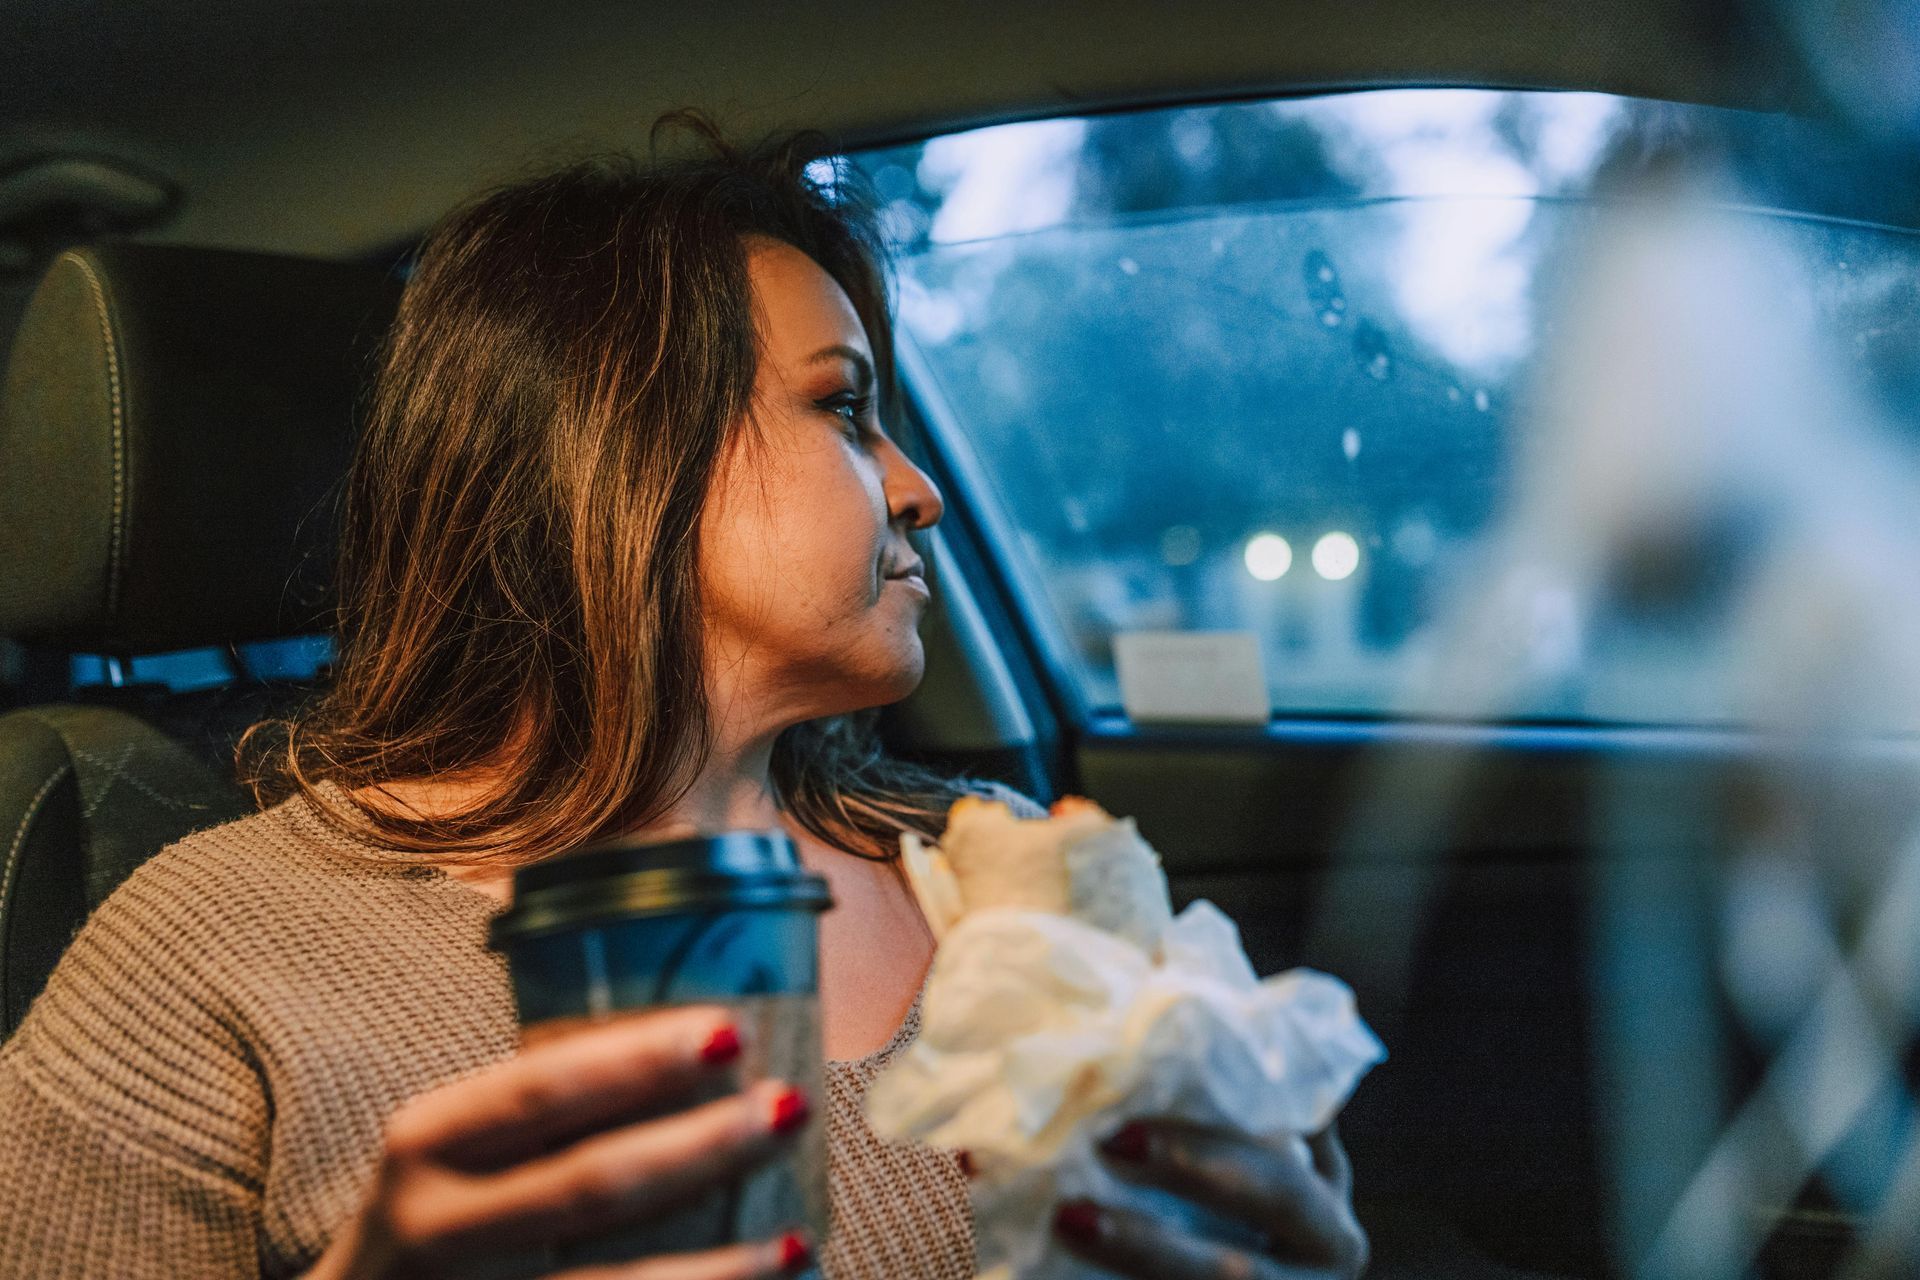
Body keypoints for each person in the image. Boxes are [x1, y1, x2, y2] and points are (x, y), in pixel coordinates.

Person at [0, 120, 1368, 1280]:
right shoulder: (199, 956)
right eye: (844, 408)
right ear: (612, 444)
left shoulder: (993, 866)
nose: (919, 488)